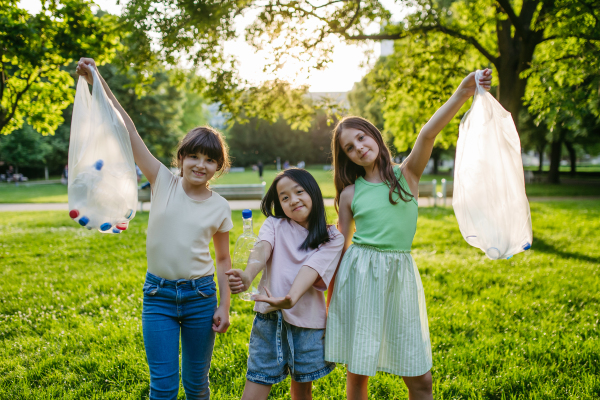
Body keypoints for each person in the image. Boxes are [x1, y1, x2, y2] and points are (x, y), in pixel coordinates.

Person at [325, 69, 493, 400]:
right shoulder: (349, 194)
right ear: (345, 157)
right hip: (358, 278)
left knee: (420, 378)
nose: (358, 147)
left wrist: (462, 92)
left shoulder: (407, 175)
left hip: (399, 276)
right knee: (358, 372)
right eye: (349, 147)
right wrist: (330, 301)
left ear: (374, 136)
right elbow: (340, 249)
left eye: (361, 138)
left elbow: (428, 133)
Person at [76, 58, 232, 400]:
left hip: (201, 297)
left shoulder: (220, 207)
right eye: (193, 157)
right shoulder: (163, 181)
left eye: (209, 160)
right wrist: (97, 81)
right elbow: (128, 129)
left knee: (196, 384)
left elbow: (223, 260)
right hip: (158, 296)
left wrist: (226, 305)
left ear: (218, 167)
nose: (200, 165)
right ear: (181, 159)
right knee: (162, 387)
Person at [227, 168, 344, 400]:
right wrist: (249, 275)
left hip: (308, 324)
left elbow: (310, 269)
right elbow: (262, 248)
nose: (293, 200)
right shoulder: (274, 224)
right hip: (270, 319)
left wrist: (290, 299)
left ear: (313, 193)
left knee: (302, 392)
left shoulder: (332, 237)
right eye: (284, 197)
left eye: (299, 192)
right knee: (256, 384)